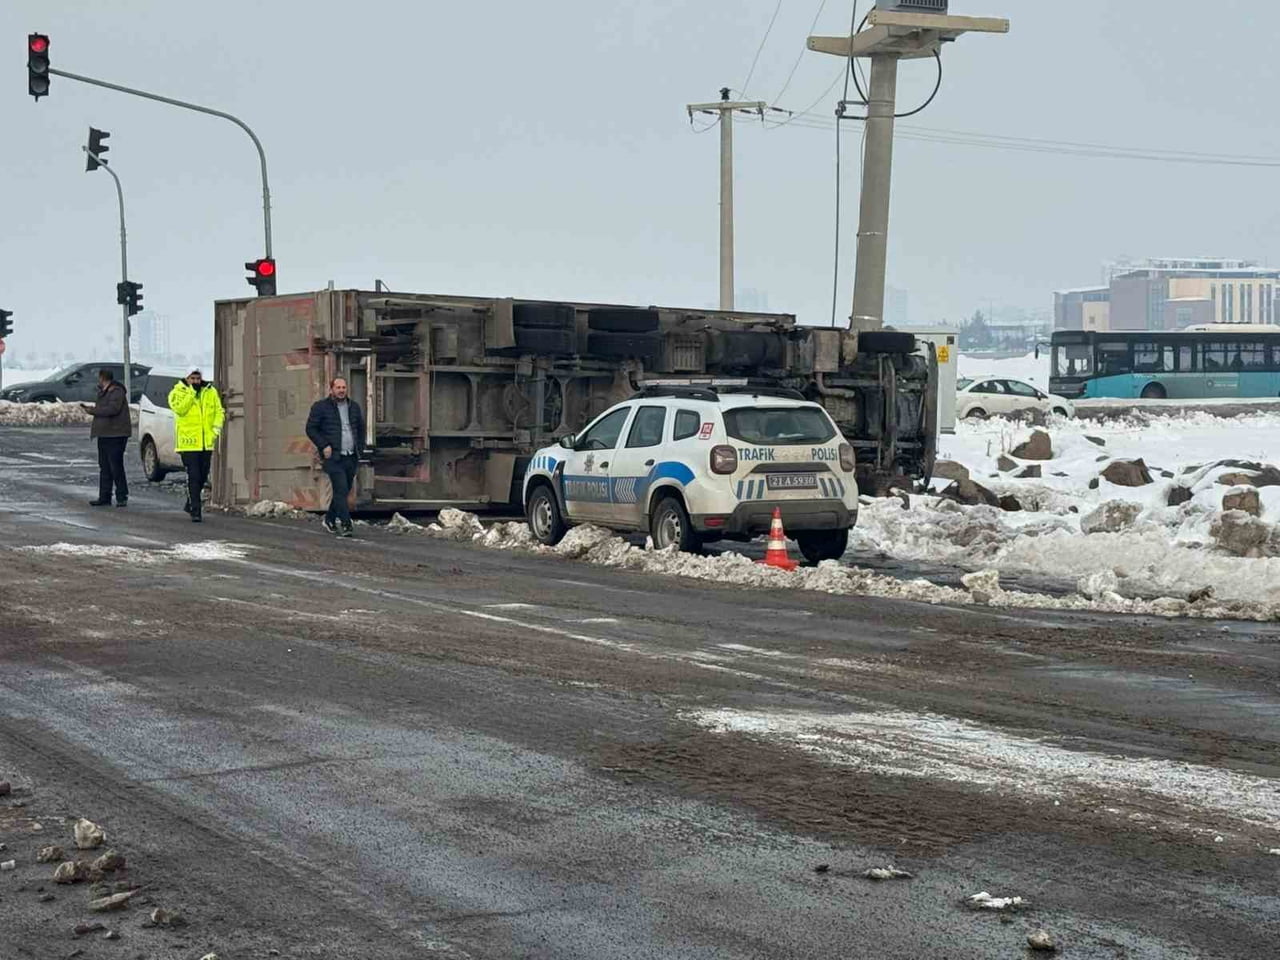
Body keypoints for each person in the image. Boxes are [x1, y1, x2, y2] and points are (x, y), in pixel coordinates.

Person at [305, 376, 365, 537]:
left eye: (343, 387)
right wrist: (324, 445)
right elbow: (311, 429)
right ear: (331, 389)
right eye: (338, 387)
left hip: (351, 455)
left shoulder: (354, 407)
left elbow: (360, 428)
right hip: (333, 457)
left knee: (343, 491)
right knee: (340, 488)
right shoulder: (321, 407)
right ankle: (346, 525)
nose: (341, 390)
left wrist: (361, 447)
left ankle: (330, 519)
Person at [168, 369, 225, 523]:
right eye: (192, 378)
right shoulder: (177, 392)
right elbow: (180, 409)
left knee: (202, 476)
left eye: (198, 378)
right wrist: (191, 393)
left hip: (206, 442)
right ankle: (196, 510)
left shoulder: (210, 391)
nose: (196, 381)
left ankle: (190, 502)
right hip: (188, 443)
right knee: (193, 476)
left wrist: (215, 430)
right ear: (186, 378)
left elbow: (219, 411)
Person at [83, 368, 131, 507]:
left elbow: (113, 409)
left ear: (103, 377)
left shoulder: (116, 391)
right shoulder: (104, 392)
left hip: (116, 434)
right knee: (104, 466)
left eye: (99, 377)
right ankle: (105, 496)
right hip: (104, 434)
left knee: (116, 466)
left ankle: (122, 496)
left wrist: (93, 411)